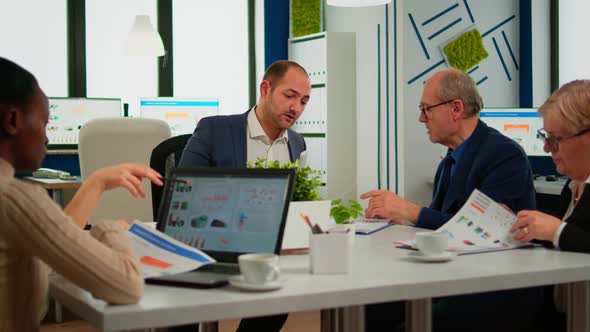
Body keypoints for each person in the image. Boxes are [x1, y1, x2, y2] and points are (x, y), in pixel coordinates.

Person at [361, 68, 541, 332]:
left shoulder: (504, 155)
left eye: (426, 109)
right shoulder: (451, 159)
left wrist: (409, 210)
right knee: (370, 305)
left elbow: (481, 231)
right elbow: (440, 225)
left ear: (456, 108)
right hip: (453, 274)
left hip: (492, 287)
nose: (421, 118)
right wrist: (398, 215)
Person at [0, 57, 163, 331]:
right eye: (44, 123)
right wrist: (110, 229)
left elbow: (47, 243)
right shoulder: (15, 198)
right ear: (13, 120)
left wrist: (96, 183)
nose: (47, 138)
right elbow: (127, 286)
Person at [177, 60, 311, 332]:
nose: (296, 108)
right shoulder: (215, 129)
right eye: (290, 96)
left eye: (304, 101)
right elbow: (184, 188)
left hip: (267, 251)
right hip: (213, 245)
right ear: (265, 88)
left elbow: (295, 203)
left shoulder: (297, 144)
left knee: (278, 300)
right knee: (184, 316)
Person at [509, 80, 590, 332]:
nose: (546, 148)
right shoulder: (575, 184)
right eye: (545, 137)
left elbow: (570, 235)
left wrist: (556, 231)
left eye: (555, 140)